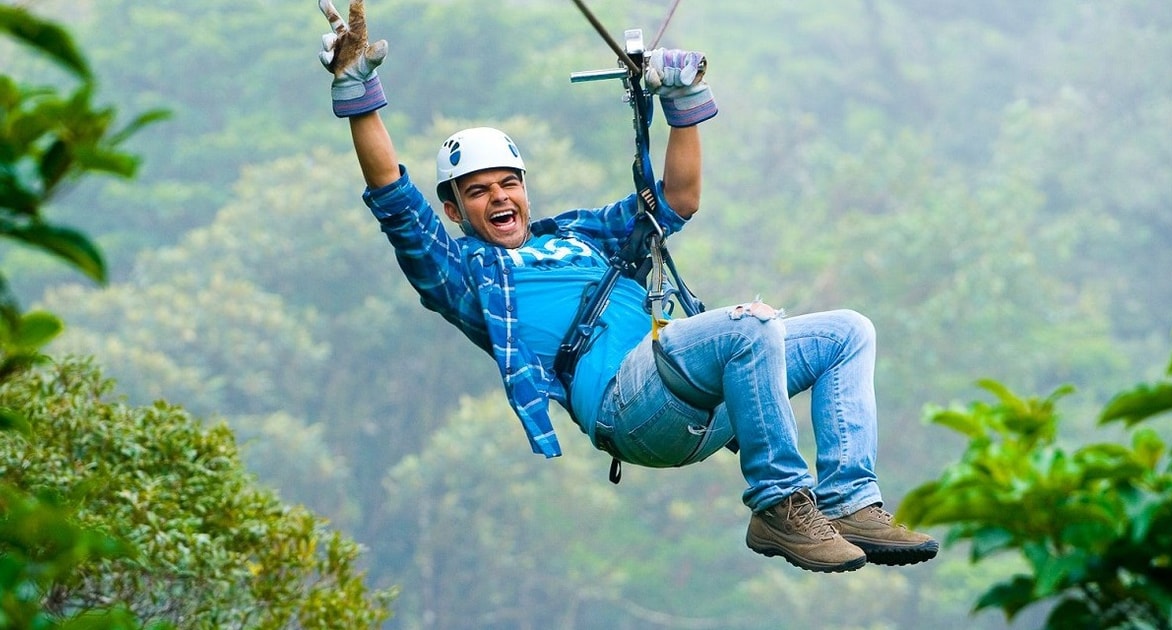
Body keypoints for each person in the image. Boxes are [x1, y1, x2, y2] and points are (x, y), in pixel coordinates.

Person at [317, 0, 938, 573]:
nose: (498, 198)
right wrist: (356, 89)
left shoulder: (584, 238)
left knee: (848, 332)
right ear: (455, 212)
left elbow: (677, 200)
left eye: (508, 183)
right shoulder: (466, 278)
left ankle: (852, 501)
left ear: (525, 190)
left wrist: (685, 100)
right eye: (478, 192)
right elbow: (397, 205)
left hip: (695, 391)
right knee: (750, 325)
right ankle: (779, 505)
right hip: (627, 405)